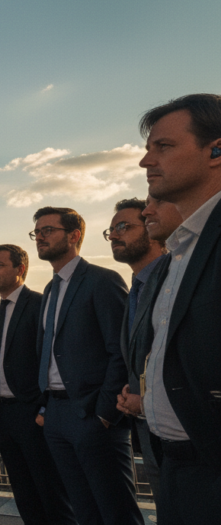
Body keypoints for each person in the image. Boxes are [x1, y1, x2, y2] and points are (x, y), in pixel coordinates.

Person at [136, 94, 221, 522]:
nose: (145, 160)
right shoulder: (175, 257)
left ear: (217, 150)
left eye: (163, 147)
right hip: (174, 468)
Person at [30, 207, 141, 525]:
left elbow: (121, 351)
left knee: (116, 510)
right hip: (56, 417)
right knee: (83, 511)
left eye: (48, 230)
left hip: (92, 415)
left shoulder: (102, 281)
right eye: (37, 231)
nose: (40, 236)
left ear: (74, 235)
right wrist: (45, 407)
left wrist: (105, 413)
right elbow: (49, 352)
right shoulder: (51, 289)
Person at [0, 245, 75, 525]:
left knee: (52, 495)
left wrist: (44, 409)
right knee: (24, 495)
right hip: (3, 415)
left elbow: (52, 358)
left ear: (20, 269)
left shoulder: (39, 303)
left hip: (33, 414)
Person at [105, 198, 167, 509]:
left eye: (123, 227)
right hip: (147, 429)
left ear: (152, 228)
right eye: (111, 230)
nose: (114, 235)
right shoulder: (136, 290)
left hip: (184, 436)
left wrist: (148, 399)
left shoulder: (172, 281)